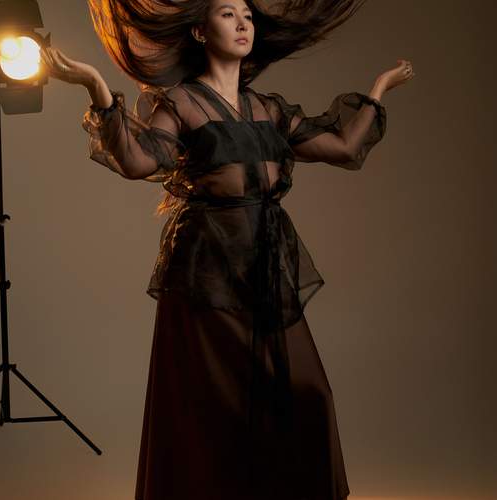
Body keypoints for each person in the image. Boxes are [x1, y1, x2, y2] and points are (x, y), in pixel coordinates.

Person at [40, 0, 414, 498]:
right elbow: (136, 162)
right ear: (200, 31)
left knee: (308, 394)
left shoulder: (269, 110)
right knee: (213, 407)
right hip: (206, 269)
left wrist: (380, 89)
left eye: (248, 16)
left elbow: (345, 147)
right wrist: (95, 86)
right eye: (228, 14)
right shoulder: (180, 103)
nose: (242, 24)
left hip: (265, 263)